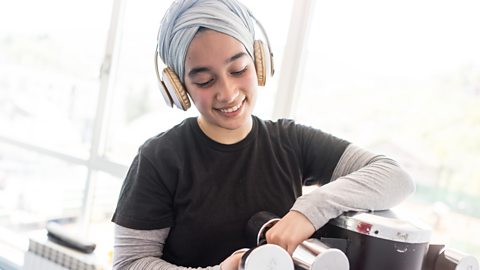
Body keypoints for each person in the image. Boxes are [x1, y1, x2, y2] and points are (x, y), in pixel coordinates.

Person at [111, 0, 415, 269]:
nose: (227, 93)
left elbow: (394, 177)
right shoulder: (159, 159)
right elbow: (129, 262)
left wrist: (310, 210)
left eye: (238, 69)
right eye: (204, 81)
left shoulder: (291, 141)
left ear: (259, 62)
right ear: (179, 89)